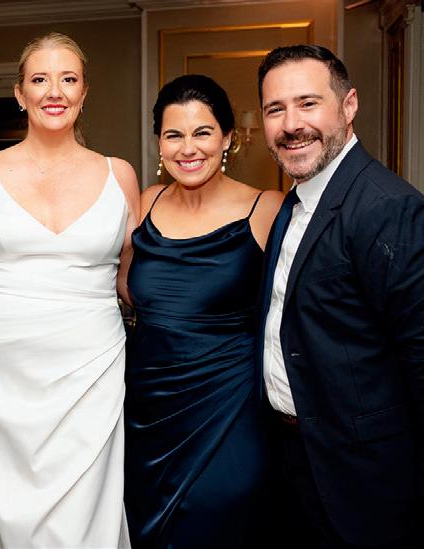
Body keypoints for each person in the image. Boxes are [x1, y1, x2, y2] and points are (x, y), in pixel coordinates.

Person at [257, 44, 424, 547]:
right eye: (275, 109)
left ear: (348, 106)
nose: (291, 124)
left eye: (308, 103)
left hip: (367, 483)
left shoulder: (391, 210)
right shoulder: (294, 204)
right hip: (297, 463)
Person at [0, 32, 140, 547]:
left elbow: (129, 278)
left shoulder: (120, 175)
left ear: (84, 93)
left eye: (68, 79)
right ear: (20, 93)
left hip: (91, 368)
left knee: (86, 511)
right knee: (0, 506)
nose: (54, 92)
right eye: (40, 79)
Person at [124, 74, 283, 548]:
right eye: (174, 134)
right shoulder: (144, 203)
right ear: (158, 142)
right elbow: (122, 287)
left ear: (228, 137)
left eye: (203, 132)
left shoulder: (267, 209)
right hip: (147, 416)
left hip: (228, 412)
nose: (188, 148)